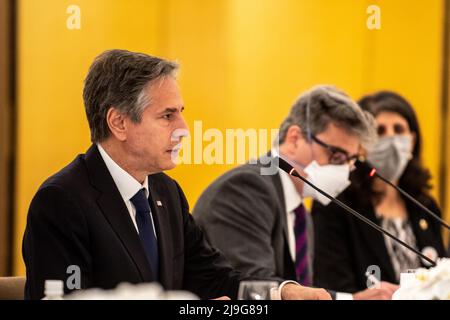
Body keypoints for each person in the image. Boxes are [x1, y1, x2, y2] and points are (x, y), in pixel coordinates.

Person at [22, 49, 330, 300]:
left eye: (181, 113)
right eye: (168, 116)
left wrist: (281, 293)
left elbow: (213, 277)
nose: (183, 129)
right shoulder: (62, 201)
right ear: (118, 123)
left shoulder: (165, 192)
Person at [193, 86, 398, 299]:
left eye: (351, 161)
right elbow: (253, 287)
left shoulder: (300, 214)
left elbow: (300, 293)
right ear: (294, 139)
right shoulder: (245, 188)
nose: (344, 170)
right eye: (336, 156)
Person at [312, 91, 448, 294]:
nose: (391, 138)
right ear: (359, 143)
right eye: (380, 130)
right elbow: (330, 289)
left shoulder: (425, 205)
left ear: (412, 140)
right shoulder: (334, 205)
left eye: (399, 129)